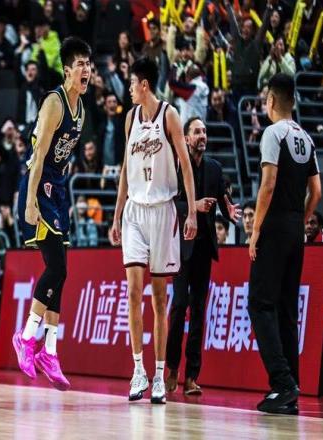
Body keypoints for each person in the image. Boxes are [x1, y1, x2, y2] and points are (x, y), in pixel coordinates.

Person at [111, 57, 197, 404]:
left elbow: (185, 165)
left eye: (132, 84)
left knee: (160, 298)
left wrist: (191, 212)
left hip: (163, 210)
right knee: (134, 292)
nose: (130, 90)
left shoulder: (169, 115)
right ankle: (138, 370)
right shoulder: (130, 118)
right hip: (135, 211)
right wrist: (116, 215)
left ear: (143, 84)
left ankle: (159, 374)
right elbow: (125, 168)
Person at [13, 37, 91, 391]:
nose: (86, 70)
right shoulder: (54, 103)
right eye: (80, 65)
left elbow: (63, 159)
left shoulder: (81, 110)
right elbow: (40, 156)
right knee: (57, 268)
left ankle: (50, 351)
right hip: (38, 183)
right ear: (67, 70)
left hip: (58, 189)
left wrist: (61, 197)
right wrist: (30, 201)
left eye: (89, 64)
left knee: (61, 272)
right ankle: (27, 337)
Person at [248, 73, 321, 415]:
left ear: (272, 100)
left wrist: (255, 230)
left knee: (260, 304)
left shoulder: (273, 133)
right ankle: (291, 387)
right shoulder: (306, 138)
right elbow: (317, 192)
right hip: (295, 228)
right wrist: (301, 219)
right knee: (288, 310)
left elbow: (268, 183)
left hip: (275, 225)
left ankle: (282, 382)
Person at [165, 117, 241, 396]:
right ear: (186, 138)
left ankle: (191, 376)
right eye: (197, 132)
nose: (202, 136)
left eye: (205, 131)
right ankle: (172, 368)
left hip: (204, 248)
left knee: (199, 310)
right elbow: (168, 204)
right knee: (179, 305)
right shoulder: (175, 167)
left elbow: (223, 199)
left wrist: (229, 211)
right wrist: (192, 207)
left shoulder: (215, 168)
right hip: (180, 247)